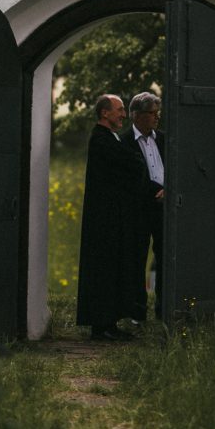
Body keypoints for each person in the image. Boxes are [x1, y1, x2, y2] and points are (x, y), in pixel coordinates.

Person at [76, 94, 150, 340]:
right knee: (104, 270)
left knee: (113, 269)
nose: (123, 114)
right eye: (119, 110)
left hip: (111, 217)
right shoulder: (101, 140)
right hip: (104, 221)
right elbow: (132, 163)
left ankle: (109, 323)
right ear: (105, 113)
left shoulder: (108, 139)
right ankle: (101, 325)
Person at [121, 91, 165, 319]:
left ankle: (163, 309)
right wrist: (154, 192)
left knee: (165, 258)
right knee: (136, 259)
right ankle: (137, 312)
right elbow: (131, 177)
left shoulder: (164, 139)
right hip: (138, 209)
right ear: (137, 116)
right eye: (152, 113)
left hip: (163, 208)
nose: (156, 118)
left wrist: (169, 190)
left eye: (157, 113)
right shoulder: (125, 141)